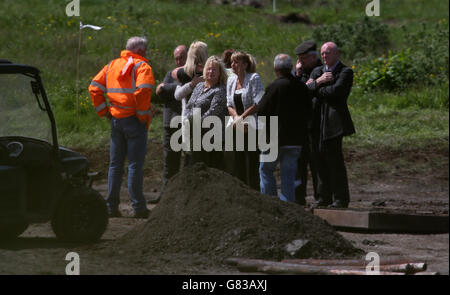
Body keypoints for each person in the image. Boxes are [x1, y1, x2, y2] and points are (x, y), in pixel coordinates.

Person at [89, 36, 154, 218]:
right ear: (140, 51)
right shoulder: (142, 67)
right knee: (134, 165)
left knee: (115, 165)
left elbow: (94, 88)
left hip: (116, 121)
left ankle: (111, 207)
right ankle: (139, 208)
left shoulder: (111, 65)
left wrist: (104, 112)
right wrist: (142, 115)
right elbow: (143, 91)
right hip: (134, 121)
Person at [307, 42, 355, 208]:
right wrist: (319, 82)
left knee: (334, 161)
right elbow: (305, 90)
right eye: (322, 53)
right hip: (316, 122)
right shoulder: (317, 71)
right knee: (318, 160)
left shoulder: (345, 71)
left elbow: (337, 92)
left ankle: (340, 198)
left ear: (336, 54)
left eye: (327, 53)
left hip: (334, 123)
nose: (324, 56)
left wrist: (316, 89)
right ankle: (323, 197)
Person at [258, 54, 311, 203]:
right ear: (291, 68)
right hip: (295, 139)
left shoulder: (274, 87)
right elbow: (308, 111)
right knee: (289, 175)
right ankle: (289, 207)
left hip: (273, 139)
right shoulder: (301, 87)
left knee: (266, 171)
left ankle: (271, 204)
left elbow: (262, 111)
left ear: (275, 69)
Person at [147, 45, 187, 205]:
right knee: (169, 162)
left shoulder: (191, 73)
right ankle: (165, 196)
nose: (178, 61)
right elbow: (160, 94)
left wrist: (168, 89)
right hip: (170, 123)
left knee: (190, 161)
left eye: (181, 57)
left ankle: (183, 196)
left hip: (185, 124)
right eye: (176, 58)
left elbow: (181, 89)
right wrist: (173, 90)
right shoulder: (169, 74)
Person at [225, 51, 264, 190]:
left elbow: (258, 102)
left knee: (251, 161)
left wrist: (242, 117)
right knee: (237, 160)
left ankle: (254, 191)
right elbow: (229, 103)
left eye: (236, 62)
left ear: (245, 64)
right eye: (232, 62)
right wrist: (236, 118)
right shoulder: (231, 80)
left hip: (251, 125)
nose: (232, 65)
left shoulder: (254, 78)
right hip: (236, 126)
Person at [183, 56, 228, 169]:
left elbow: (213, 112)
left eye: (214, 69)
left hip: (212, 136)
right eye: (208, 69)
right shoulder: (199, 86)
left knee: (211, 167)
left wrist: (195, 123)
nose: (210, 72)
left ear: (220, 73)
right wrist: (188, 120)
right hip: (194, 134)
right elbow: (189, 106)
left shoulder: (221, 90)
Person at [293, 40, 323, 205]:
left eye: (303, 59)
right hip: (301, 125)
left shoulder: (320, 70)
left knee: (316, 162)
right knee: (299, 164)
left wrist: (311, 84)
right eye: (299, 59)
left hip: (315, 124)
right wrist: (298, 76)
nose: (300, 62)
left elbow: (302, 92)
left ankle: (320, 197)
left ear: (312, 57)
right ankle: (299, 197)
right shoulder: (300, 72)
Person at [173, 41, 208, 166]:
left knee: (191, 156)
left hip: (193, 119)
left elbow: (177, 94)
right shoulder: (189, 73)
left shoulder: (184, 72)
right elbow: (177, 95)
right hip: (200, 119)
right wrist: (193, 84)